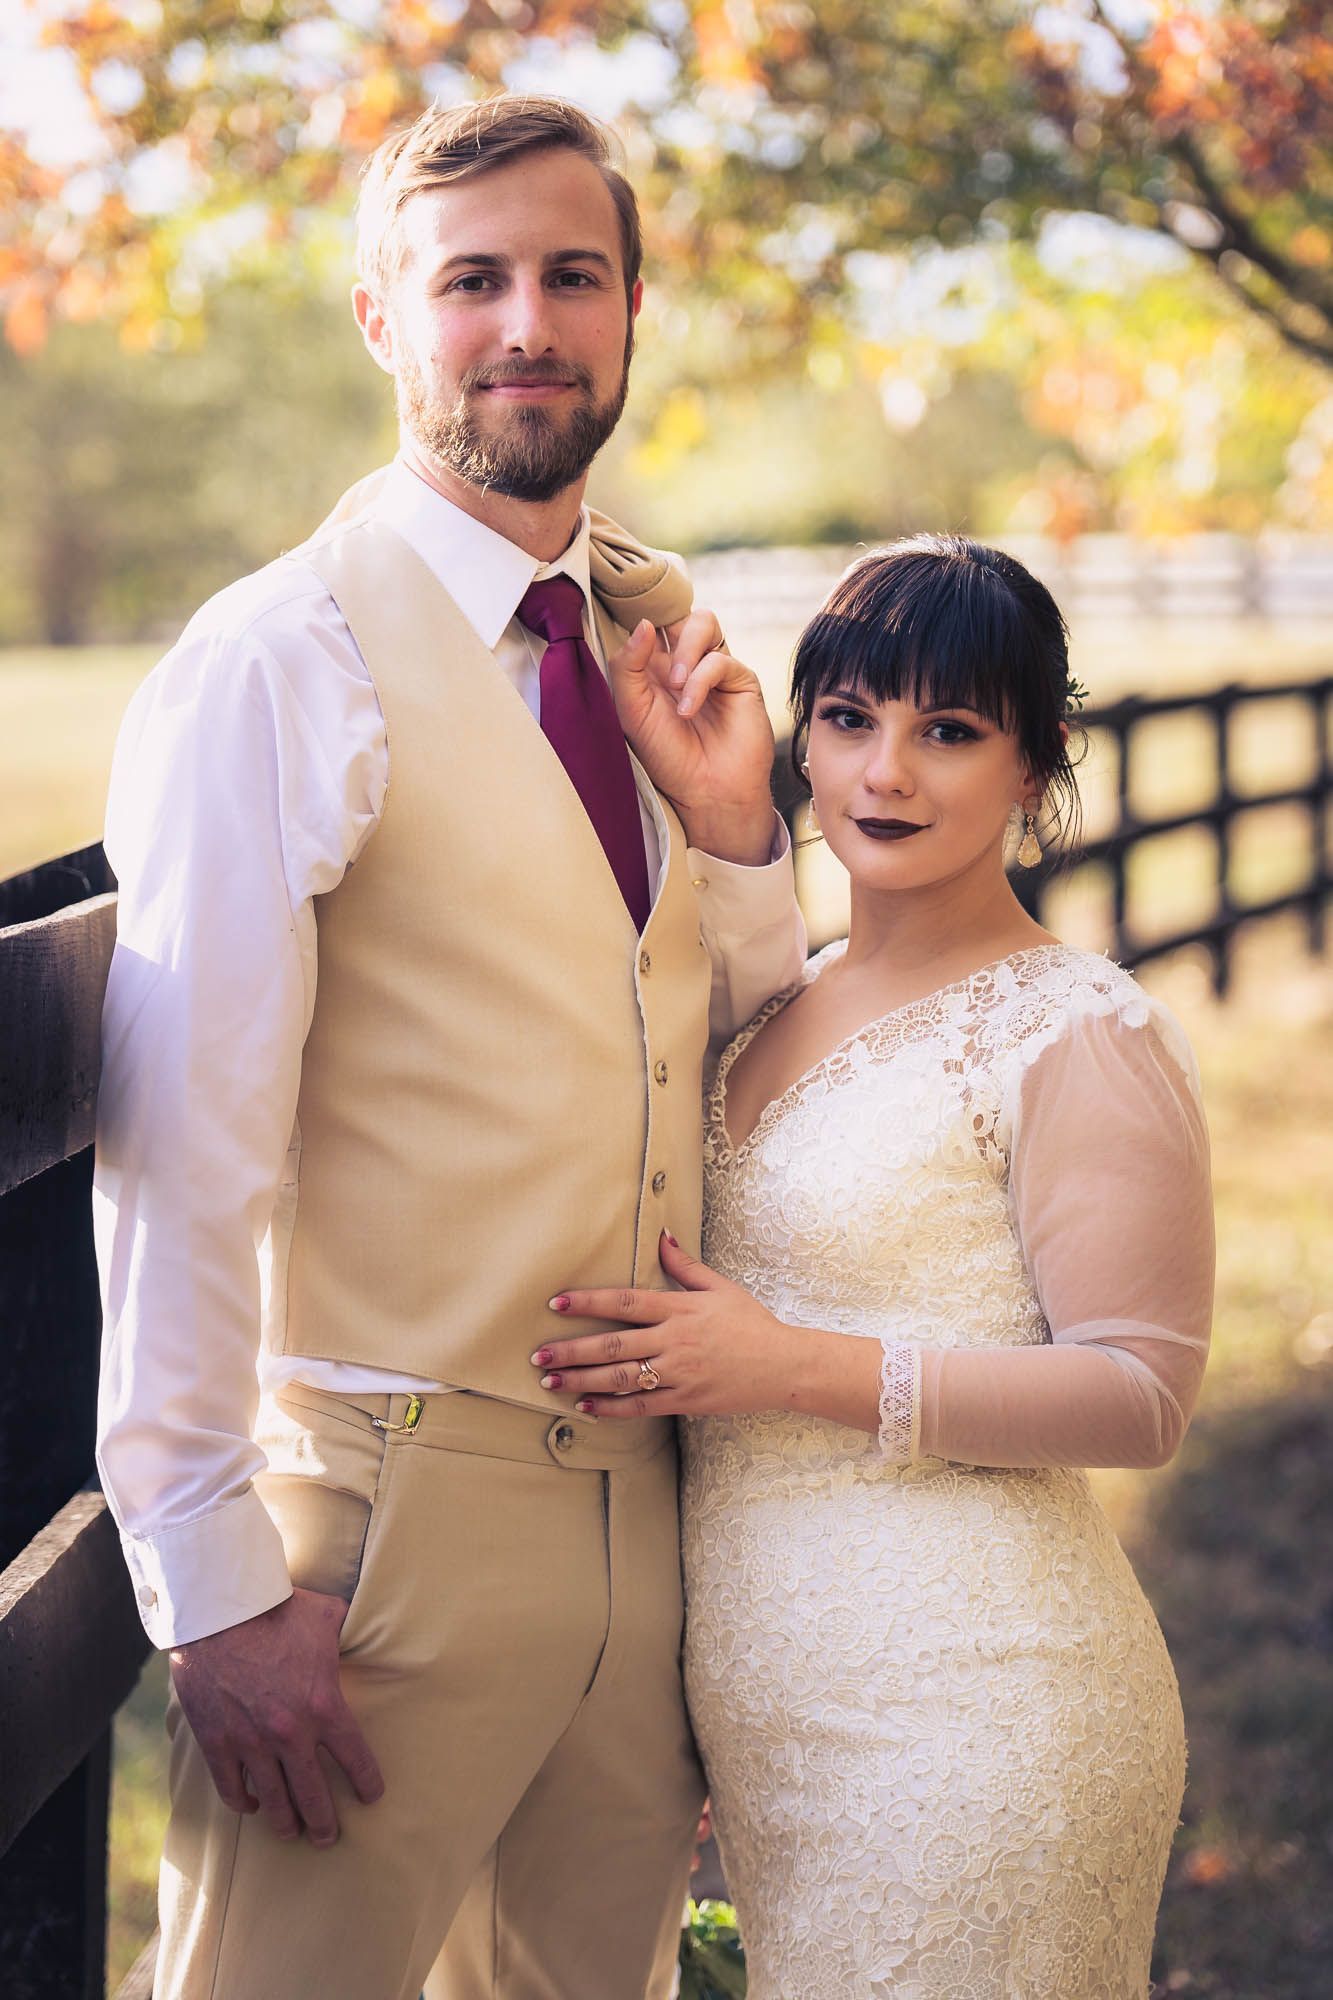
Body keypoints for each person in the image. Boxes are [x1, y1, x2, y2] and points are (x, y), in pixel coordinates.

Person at [93, 95, 805, 2000]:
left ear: (633, 307)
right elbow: (183, 1141)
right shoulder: (277, 660)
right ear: (378, 321)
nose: (524, 325)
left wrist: (739, 840)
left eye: (571, 275)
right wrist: (210, 1581)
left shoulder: (650, 643)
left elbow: (720, 1052)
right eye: (468, 279)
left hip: (649, 1523)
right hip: (388, 1519)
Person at [534, 536, 1215, 1997]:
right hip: (782, 1742)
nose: (884, 774)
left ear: (1035, 768)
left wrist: (789, 1365)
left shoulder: (1072, 1030)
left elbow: (1137, 1395)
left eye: (948, 732)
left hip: (987, 1722)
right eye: (848, 719)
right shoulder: (775, 1000)